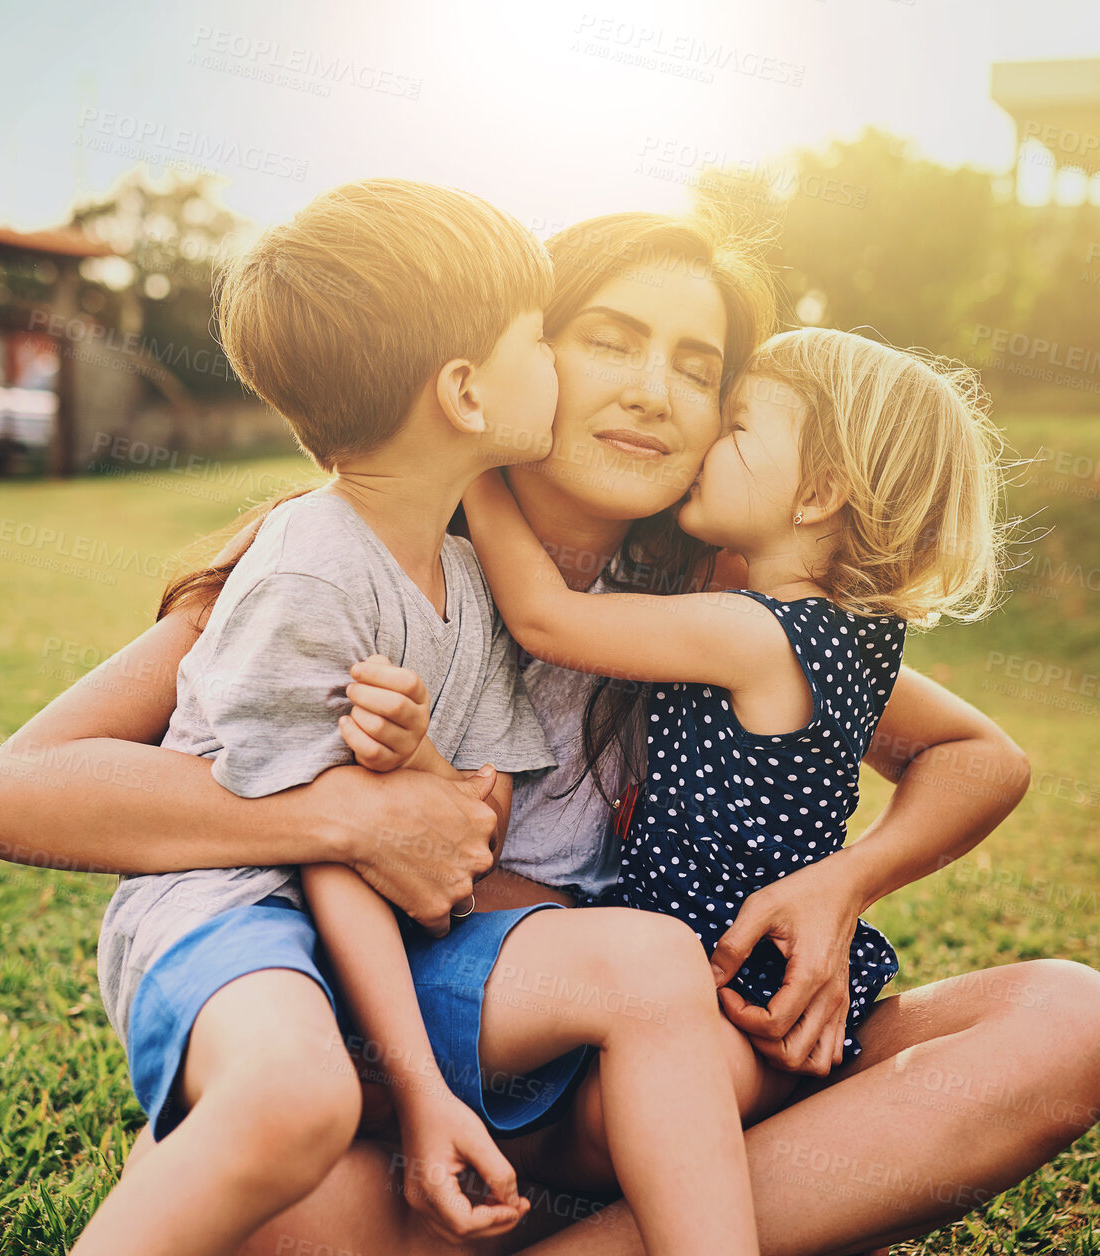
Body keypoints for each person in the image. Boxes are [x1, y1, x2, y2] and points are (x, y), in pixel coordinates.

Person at [0, 211, 1100, 1256]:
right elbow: (12, 795)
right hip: (441, 1044)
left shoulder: (708, 595)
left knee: (1074, 1019)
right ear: (505, 364)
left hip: (654, 1054)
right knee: (296, 1220)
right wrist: (348, 816)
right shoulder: (366, 559)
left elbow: (973, 752)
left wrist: (846, 881)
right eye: (610, 340)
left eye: (700, 368)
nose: (653, 391)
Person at [73, 180, 763, 1256]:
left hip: (450, 989)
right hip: (263, 933)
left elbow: (449, 821)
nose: (654, 392)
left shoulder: (493, 588)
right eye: (574, 339)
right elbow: (327, 837)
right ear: (467, 388)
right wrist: (373, 813)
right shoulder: (311, 563)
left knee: (695, 1028)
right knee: (298, 1118)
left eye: (698, 365)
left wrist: (424, 774)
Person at [460, 326, 1008, 1067]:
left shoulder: (751, 633)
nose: (711, 436)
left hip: (705, 970)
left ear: (815, 496)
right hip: (752, 974)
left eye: (739, 426)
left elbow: (544, 618)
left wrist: (468, 464)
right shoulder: (851, 637)